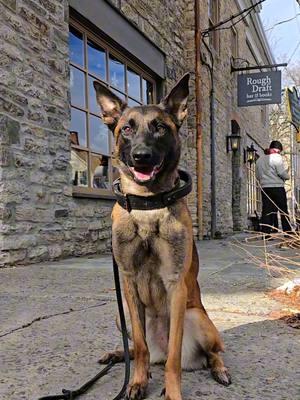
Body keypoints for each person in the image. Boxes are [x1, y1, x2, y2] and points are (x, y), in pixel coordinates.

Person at [256, 140, 291, 235]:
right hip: (277, 187)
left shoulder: (259, 160)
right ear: (278, 149)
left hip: (265, 188)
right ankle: (287, 231)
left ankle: (265, 233)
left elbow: (258, 176)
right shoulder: (277, 157)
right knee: (283, 209)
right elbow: (281, 172)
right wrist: (287, 176)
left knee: (266, 210)